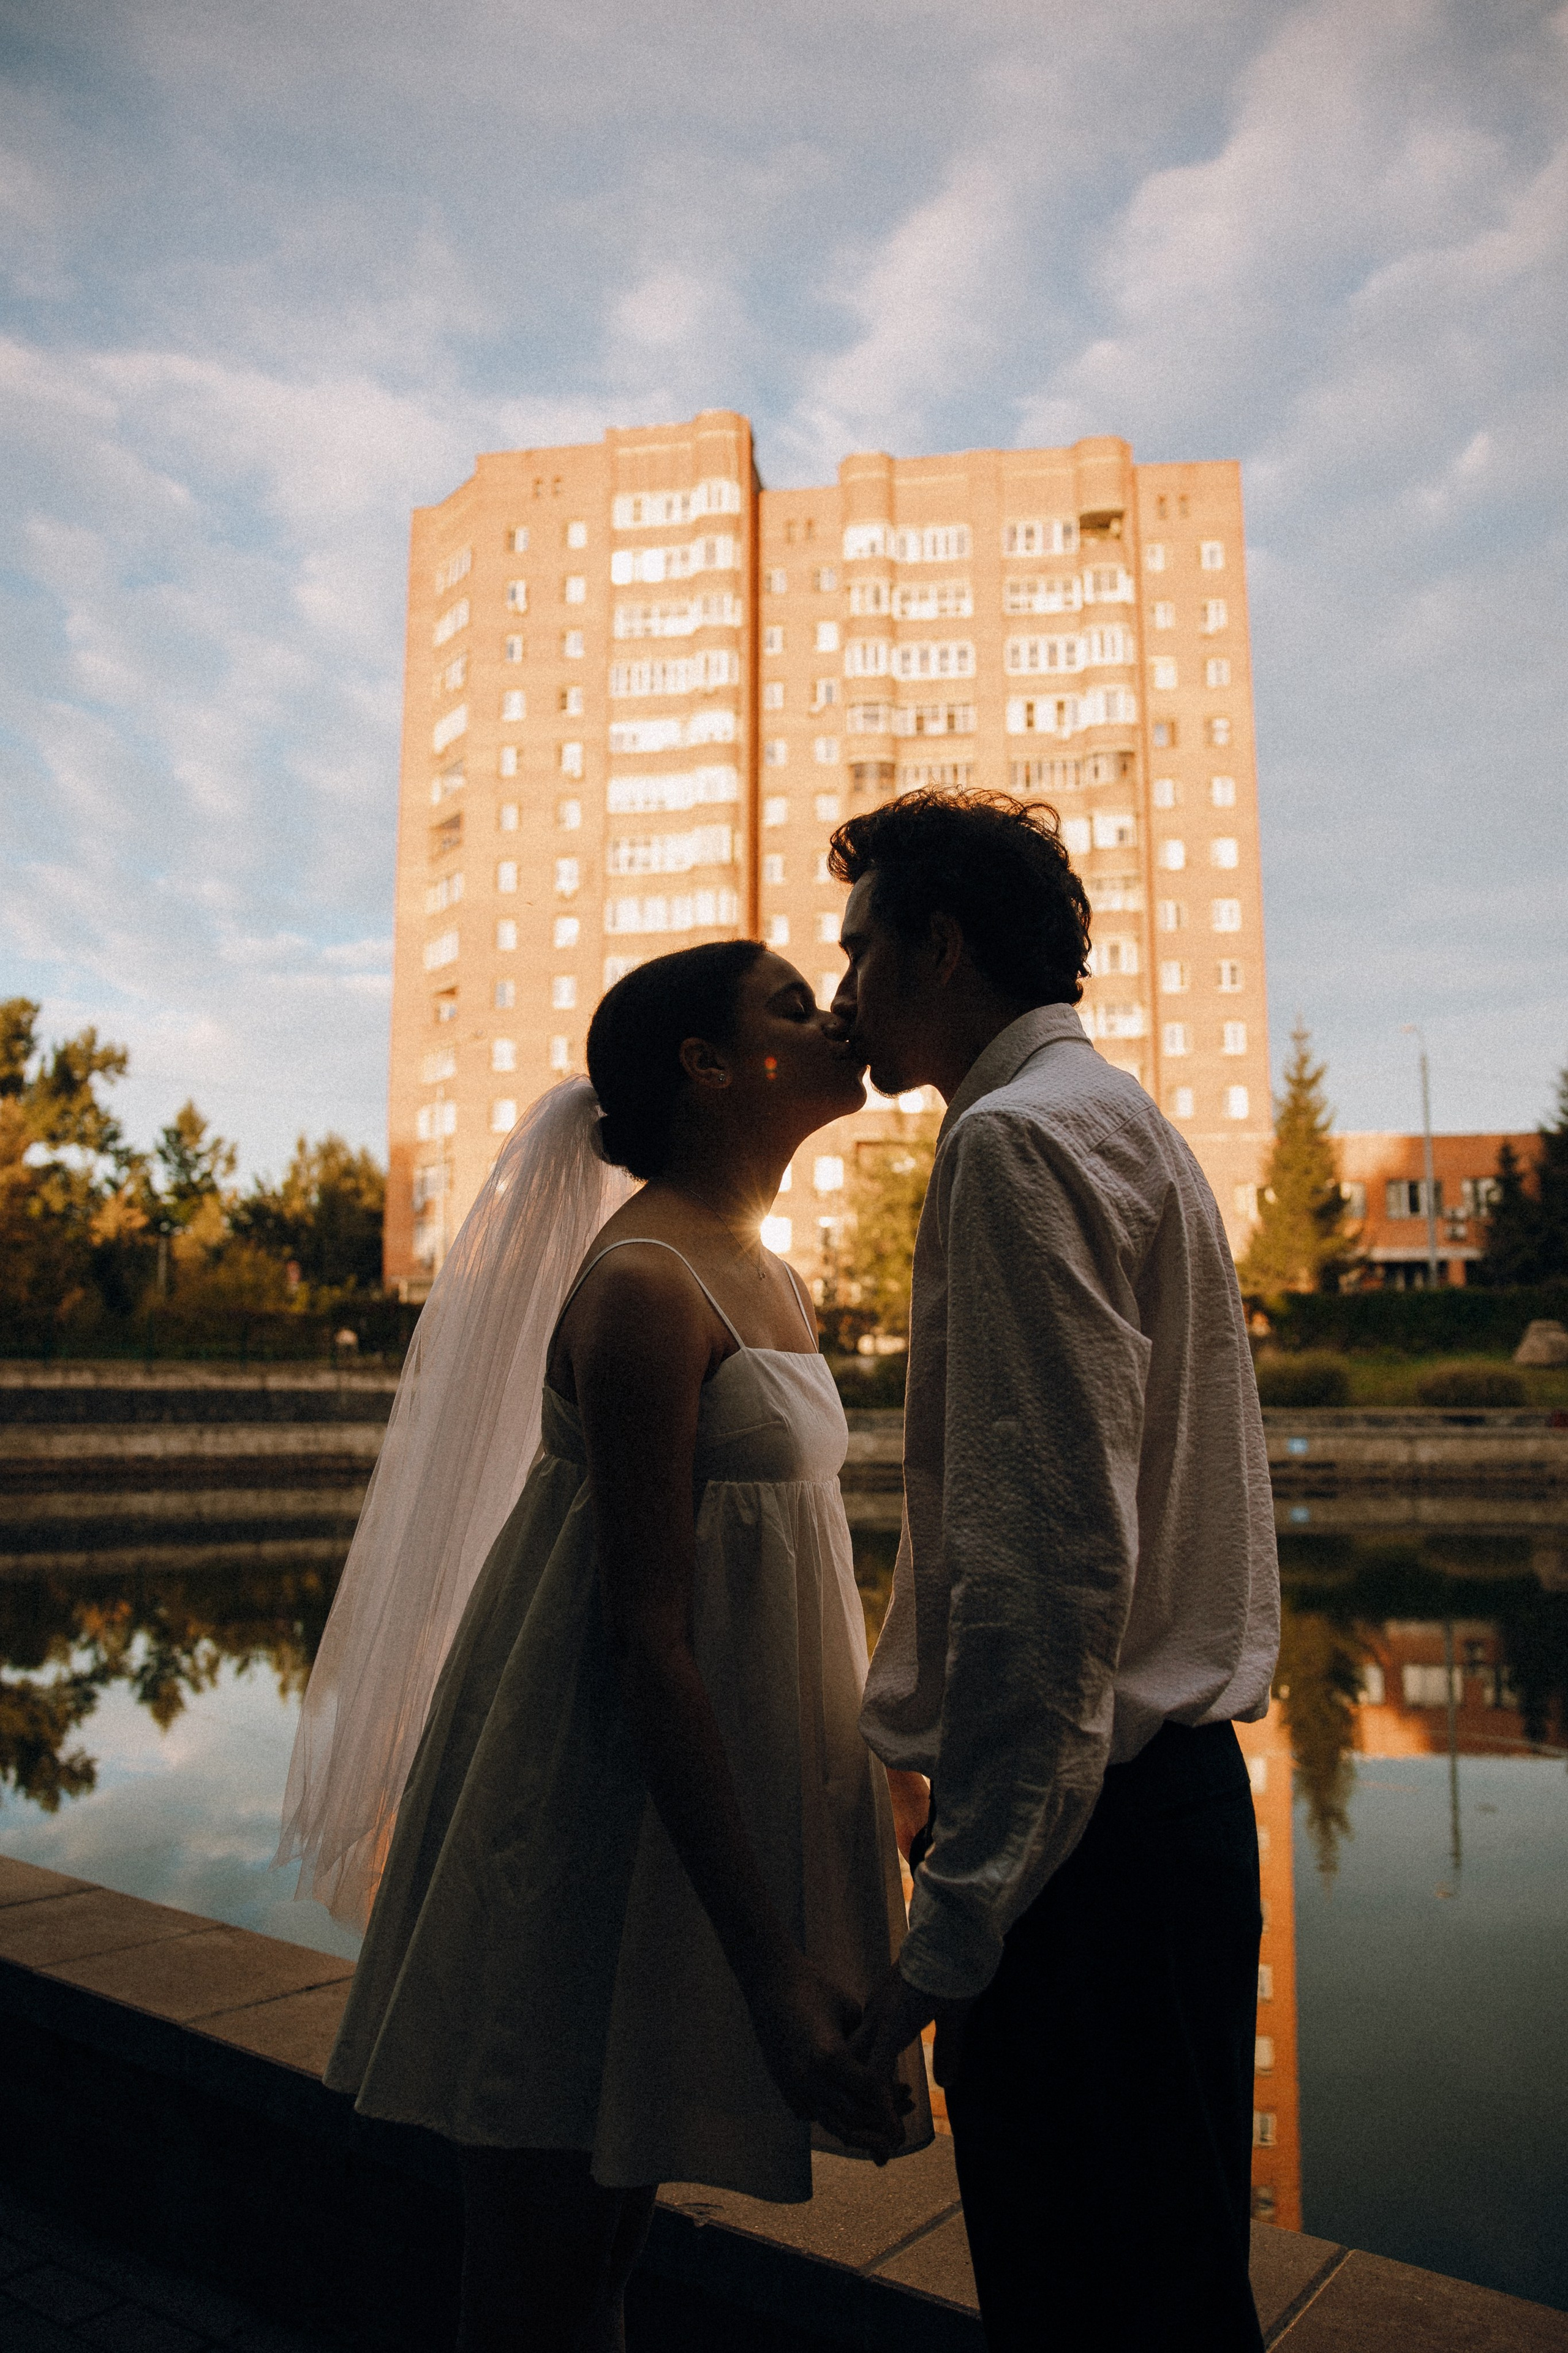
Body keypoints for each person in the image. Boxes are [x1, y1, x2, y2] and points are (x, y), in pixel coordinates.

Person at [277, 940, 929, 2353]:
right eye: (791, 1006)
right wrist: (770, 1967)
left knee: (605, 2250)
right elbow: (644, 1639)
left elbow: (795, 1574)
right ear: (707, 1065)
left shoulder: (769, 1272)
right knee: (542, 2270)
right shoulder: (645, 1283)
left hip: (682, 1818)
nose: (833, 1018)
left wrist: (886, 1782)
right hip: (589, 1818)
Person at [829, 791, 1280, 2352]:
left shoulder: (1014, 1140)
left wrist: (949, 1933)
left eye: (861, 949)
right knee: (1175, 2296)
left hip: (1085, 1861)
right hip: (1166, 1820)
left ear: (941, 947)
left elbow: (1046, 1574)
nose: (843, 992)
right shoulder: (1120, 1115)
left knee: (1077, 2302)